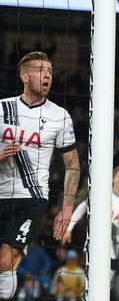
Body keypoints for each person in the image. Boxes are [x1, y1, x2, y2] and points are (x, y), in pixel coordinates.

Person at [0, 51, 79, 299]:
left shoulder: (60, 116)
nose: (48, 75)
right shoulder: (3, 109)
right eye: (41, 70)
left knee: (5, 261)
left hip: (30, 198)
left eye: (51, 72)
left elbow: (73, 166)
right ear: (25, 76)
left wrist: (66, 209)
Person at [64, 165, 119, 278]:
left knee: (106, 289)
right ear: (113, 178)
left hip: (113, 250)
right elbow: (82, 207)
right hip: (93, 245)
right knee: (91, 282)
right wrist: (69, 229)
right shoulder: (100, 193)